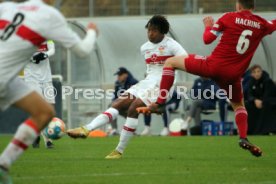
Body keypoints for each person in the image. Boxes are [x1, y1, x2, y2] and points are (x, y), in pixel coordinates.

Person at [138, 0, 276, 157]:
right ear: (253, 7)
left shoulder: (228, 17)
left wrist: (208, 26)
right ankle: (243, 137)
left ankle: (159, 103)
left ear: (238, 5)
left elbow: (207, 39)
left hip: (213, 66)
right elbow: (274, 23)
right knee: (239, 106)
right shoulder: (262, 24)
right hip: (234, 75)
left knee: (170, 62)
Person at [0, 0, 98, 183]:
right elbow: (83, 51)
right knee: (43, 112)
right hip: (9, 77)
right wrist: (92, 31)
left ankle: (3, 165)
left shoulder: (7, 8)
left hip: (9, 78)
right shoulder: (49, 15)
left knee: (45, 112)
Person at [67, 15, 187, 159]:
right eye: (148, 30)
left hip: (162, 86)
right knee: (117, 103)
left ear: (163, 32)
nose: (150, 33)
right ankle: (86, 129)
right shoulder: (145, 48)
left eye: (154, 30)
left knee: (133, 108)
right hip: (146, 83)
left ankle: (119, 150)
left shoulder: (172, 45)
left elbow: (185, 60)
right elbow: (151, 70)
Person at [24, 40, 56, 149]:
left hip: (46, 78)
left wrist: (45, 54)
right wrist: (32, 58)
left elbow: (52, 49)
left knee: (50, 108)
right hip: (32, 79)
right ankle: (48, 140)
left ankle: (36, 134)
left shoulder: (46, 35)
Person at [107, 67, 138, 136]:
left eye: (120, 75)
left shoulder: (133, 82)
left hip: (131, 106)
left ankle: (132, 130)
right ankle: (114, 129)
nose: (118, 77)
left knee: (131, 113)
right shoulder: (117, 83)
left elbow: (135, 98)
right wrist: (115, 103)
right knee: (111, 106)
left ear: (125, 75)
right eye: (118, 75)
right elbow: (115, 96)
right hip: (122, 105)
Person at [246, 65, 276, 134]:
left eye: (258, 71)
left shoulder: (267, 81)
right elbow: (249, 94)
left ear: (261, 72)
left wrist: (261, 101)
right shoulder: (251, 82)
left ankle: (267, 130)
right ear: (251, 74)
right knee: (247, 105)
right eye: (254, 72)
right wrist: (255, 100)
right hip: (258, 101)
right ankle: (250, 130)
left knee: (266, 104)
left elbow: (268, 94)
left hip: (270, 101)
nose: (256, 74)